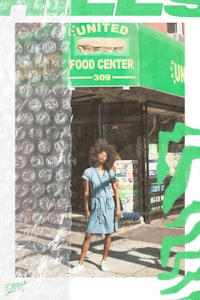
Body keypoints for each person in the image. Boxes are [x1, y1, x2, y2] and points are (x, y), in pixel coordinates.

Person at [68, 139, 121, 274]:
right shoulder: (88, 172)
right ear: (96, 154)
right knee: (88, 234)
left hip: (109, 204)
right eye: (101, 154)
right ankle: (80, 264)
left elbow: (115, 190)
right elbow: (86, 192)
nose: (103, 157)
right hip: (95, 205)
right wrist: (86, 210)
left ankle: (104, 260)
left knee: (108, 233)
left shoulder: (110, 172)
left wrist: (118, 208)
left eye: (106, 155)